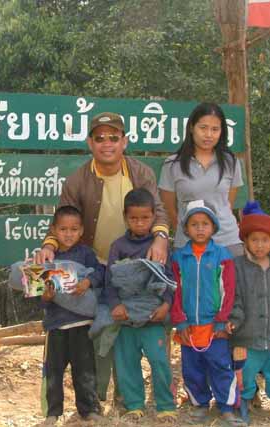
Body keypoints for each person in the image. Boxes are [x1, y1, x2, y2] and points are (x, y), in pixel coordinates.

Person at [35, 112, 170, 401]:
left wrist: (160, 238)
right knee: (99, 328)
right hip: (93, 266)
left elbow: (157, 210)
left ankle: (126, 395)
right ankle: (94, 396)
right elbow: (62, 220)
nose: (106, 144)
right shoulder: (77, 179)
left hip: (132, 267)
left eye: (113, 137)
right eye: (99, 138)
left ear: (125, 141)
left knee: (126, 330)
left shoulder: (141, 173)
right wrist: (49, 246)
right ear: (90, 143)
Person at [170, 200, 245, 427]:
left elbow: (228, 291)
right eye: (194, 224)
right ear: (186, 229)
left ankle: (226, 407)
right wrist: (180, 321)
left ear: (213, 227)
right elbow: (175, 291)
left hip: (214, 326)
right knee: (192, 368)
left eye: (205, 224)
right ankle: (200, 404)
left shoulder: (221, 255)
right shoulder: (180, 257)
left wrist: (222, 321)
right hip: (189, 327)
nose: (200, 228)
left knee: (221, 366)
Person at [105, 188, 176, 423]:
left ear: (154, 216)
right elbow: (109, 281)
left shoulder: (160, 247)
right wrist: (116, 305)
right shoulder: (118, 246)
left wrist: (166, 305)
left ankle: (166, 405)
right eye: (134, 218)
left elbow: (170, 279)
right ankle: (134, 405)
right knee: (126, 363)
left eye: (145, 217)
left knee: (159, 361)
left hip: (153, 317)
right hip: (126, 318)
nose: (139, 223)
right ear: (125, 217)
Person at [228, 201, 270, 426]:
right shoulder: (238, 266)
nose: (259, 245)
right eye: (254, 239)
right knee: (245, 375)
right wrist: (234, 320)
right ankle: (244, 409)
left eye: (264, 240)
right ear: (246, 241)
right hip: (247, 336)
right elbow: (235, 297)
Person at [40, 206, 104, 425]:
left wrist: (87, 282)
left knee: (85, 370)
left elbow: (100, 272)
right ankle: (52, 413)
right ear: (53, 230)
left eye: (74, 229)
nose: (68, 234)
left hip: (82, 324)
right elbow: (38, 292)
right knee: (53, 371)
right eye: (63, 229)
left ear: (81, 230)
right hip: (55, 325)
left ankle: (89, 410)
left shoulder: (85, 253)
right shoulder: (48, 257)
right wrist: (47, 296)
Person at [159, 102, 243, 256]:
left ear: (222, 132)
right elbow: (169, 207)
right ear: (192, 128)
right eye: (203, 128)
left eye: (215, 129)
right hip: (187, 244)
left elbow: (227, 203)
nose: (209, 134)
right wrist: (187, 230)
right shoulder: (173, 164)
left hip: (227, 242)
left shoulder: (231, 162)